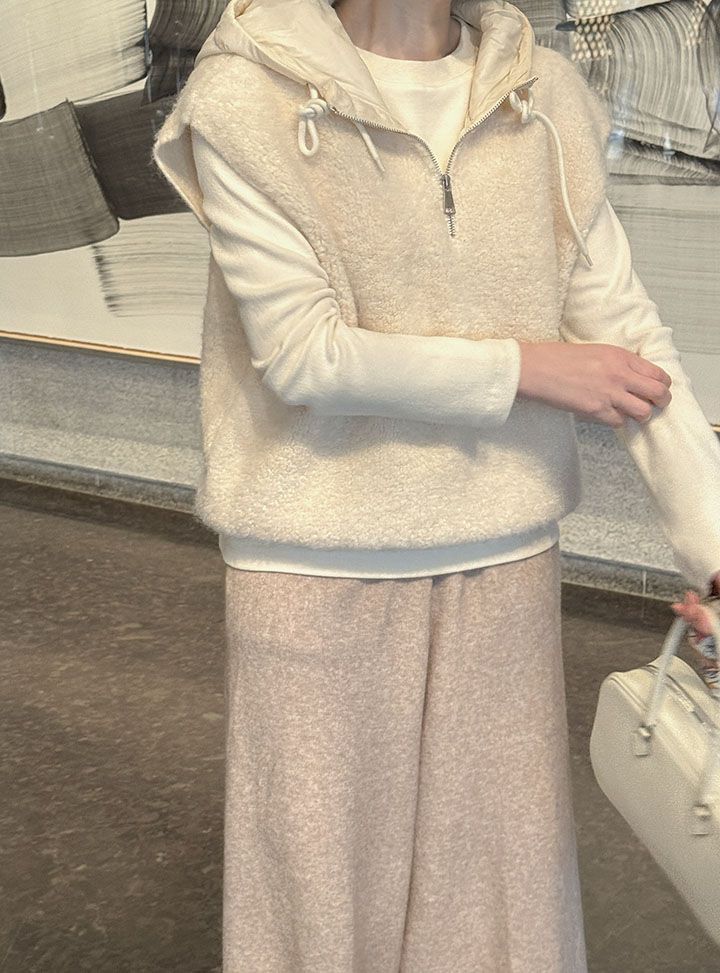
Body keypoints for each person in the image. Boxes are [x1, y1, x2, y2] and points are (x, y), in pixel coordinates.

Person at [152, 0, 720, 969]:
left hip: (505, 560)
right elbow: (305, 355)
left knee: (502, 916)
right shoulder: (246, 94)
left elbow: (628, 339)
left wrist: (714, 551)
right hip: (315, 563)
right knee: (322, 916)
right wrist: (528, 367)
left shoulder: (544, 95)